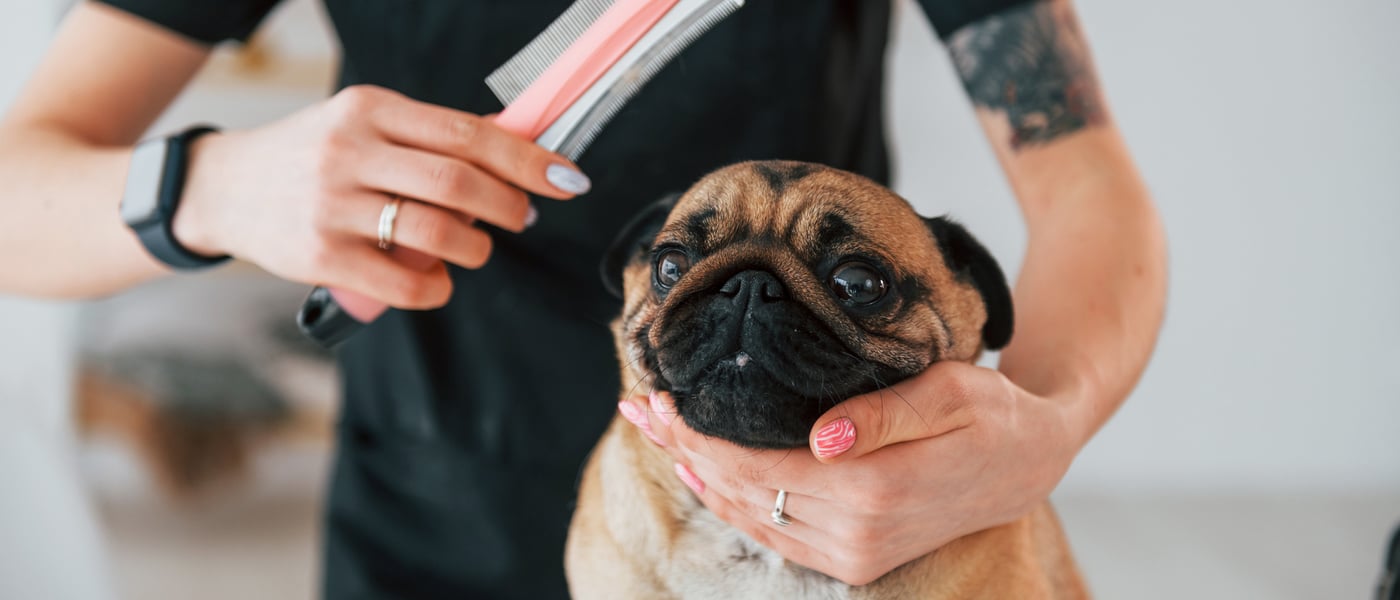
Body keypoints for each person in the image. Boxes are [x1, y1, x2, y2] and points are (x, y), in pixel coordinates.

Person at [0, 0, 1166, 597]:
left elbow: (1084, 183)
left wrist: (1041, 422)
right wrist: (211, 185)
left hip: (859, 510)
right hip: (436, 499)